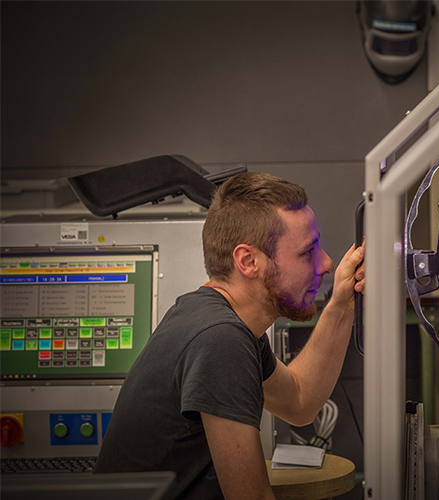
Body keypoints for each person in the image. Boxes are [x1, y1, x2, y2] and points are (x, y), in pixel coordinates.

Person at [94, 172, 365, 500]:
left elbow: (299, 401)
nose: (325, 263)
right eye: (307, 252)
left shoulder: (213, 316)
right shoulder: (220, 340)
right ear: (248, 261)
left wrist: (340, 303)